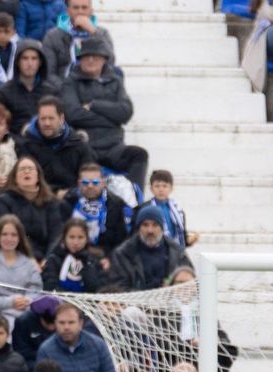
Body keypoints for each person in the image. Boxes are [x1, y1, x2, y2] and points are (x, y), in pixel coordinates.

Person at [59, 38, 146, 186]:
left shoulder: (115, 81)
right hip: (86, 146)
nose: (91, 60)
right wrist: (112, 118)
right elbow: (72, 114)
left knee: (139, 155)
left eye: (96, 56)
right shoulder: (70, 82)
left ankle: (134, 201)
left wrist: (94, 105)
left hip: (114, 147)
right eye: (86, 57)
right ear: (80, 60)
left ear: (104, 60)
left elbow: (126, 112)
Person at [111, 205, 194, 291]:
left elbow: (189, 282)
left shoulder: (177, 252)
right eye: (145, 225)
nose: (150, 230)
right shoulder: (123, 254)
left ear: (162, 228)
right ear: (139, 228)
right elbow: (118, 287)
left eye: (155, 225)